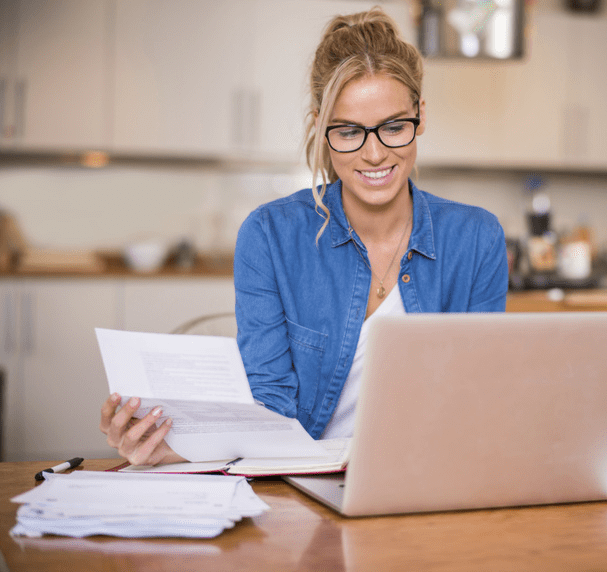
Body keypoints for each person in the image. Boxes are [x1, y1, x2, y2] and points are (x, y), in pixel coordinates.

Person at [100, 7, 508, 466]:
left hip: (428, 480)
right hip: (303, 484)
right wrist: (169, 450)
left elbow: (478, 404)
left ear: (421, 116)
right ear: (320, 125)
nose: (374, 154)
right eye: (349, 131)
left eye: (394, 126)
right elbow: (268, 404)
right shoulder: (271, 235)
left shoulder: (477, 238)